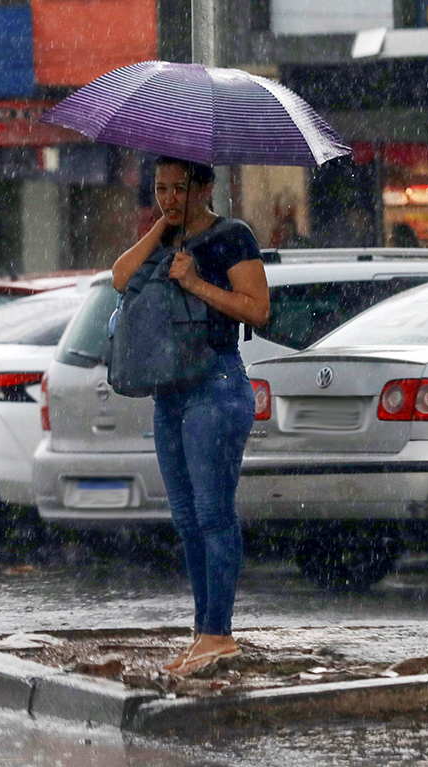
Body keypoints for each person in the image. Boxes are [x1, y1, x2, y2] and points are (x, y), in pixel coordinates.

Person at [111, 156, 270, 678]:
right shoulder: (164, 235)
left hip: (216, 384)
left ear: (205, 186)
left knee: (213, 513)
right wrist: (163, 226)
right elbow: (119, 278)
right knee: (184, 519)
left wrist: (197, 282)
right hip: (170, 390)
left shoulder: (233, 236)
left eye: (180, 188)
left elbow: (256, 309)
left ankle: (219, 634)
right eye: (160, 189)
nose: (170, 197)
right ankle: (202, 633)